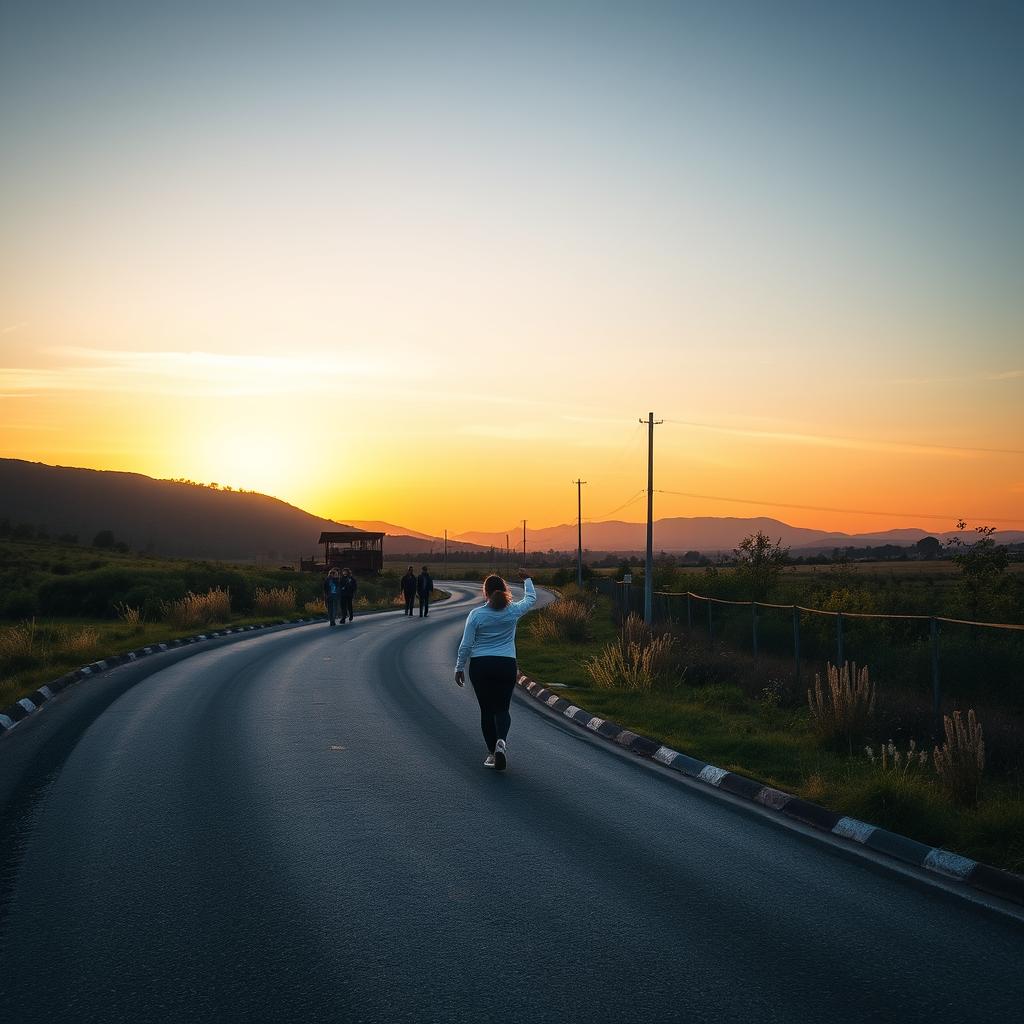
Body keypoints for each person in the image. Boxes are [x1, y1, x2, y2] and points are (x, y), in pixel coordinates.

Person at [454, 570, 536, 771]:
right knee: (502, 708)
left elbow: (466, 645)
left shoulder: (476, 615)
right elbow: (531, 598)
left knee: (486, 710)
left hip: (481, 666)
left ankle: (492, 752)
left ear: (486, 592)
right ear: (505, 590)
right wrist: (527, 579)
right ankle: (501, 742)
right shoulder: (513, 611)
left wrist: (459, 667)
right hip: (506, 665)